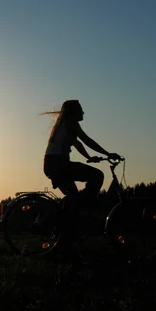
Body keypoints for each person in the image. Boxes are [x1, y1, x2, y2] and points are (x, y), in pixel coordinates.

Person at [42, 99, 121, 237]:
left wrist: (89, 157)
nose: (83, 112)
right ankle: (82, 211)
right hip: (58, 165)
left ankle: (68, 229)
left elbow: (78, 144)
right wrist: (108, 154)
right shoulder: (71, 122)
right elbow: (86, 140)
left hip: (54, 164)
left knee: (73, 197)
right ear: (74, 112)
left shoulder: (64, 125)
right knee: (97, 176)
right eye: (81, 109)